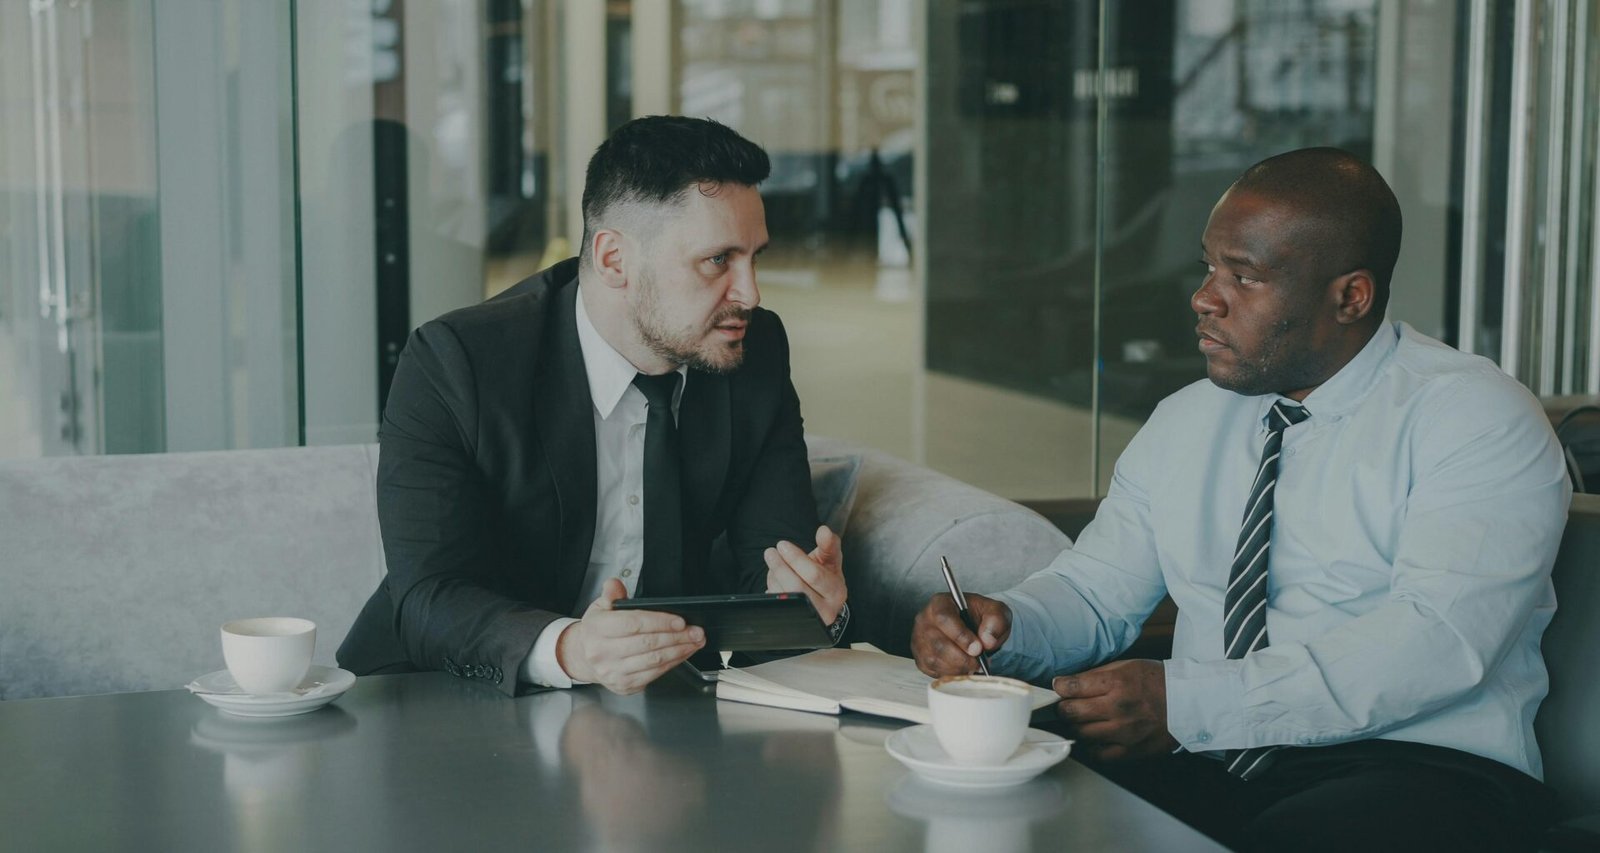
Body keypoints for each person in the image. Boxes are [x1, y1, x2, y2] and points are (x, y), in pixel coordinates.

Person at [912, 148, 1567, 851]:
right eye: (1209, 267)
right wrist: (1005, 628)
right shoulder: (1188, 419)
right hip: (1216, 758)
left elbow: (1436, 642)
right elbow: (1096, 591)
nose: (1205, 297)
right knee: (1005, 810)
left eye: (1245, 276)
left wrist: (1191, 704)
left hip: (1425, 767)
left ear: (1350, 296)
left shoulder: (1474, 416)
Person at [338, 116, 848, 696]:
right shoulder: (458, 363)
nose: (750, 293)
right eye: (717, 260)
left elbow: (772, 572)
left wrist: (807, 606)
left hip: (657, 718)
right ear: (613, 260)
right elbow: (428, 596)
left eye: (755, 257)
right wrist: (569, 649)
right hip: (445, 704)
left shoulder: (753, 350)